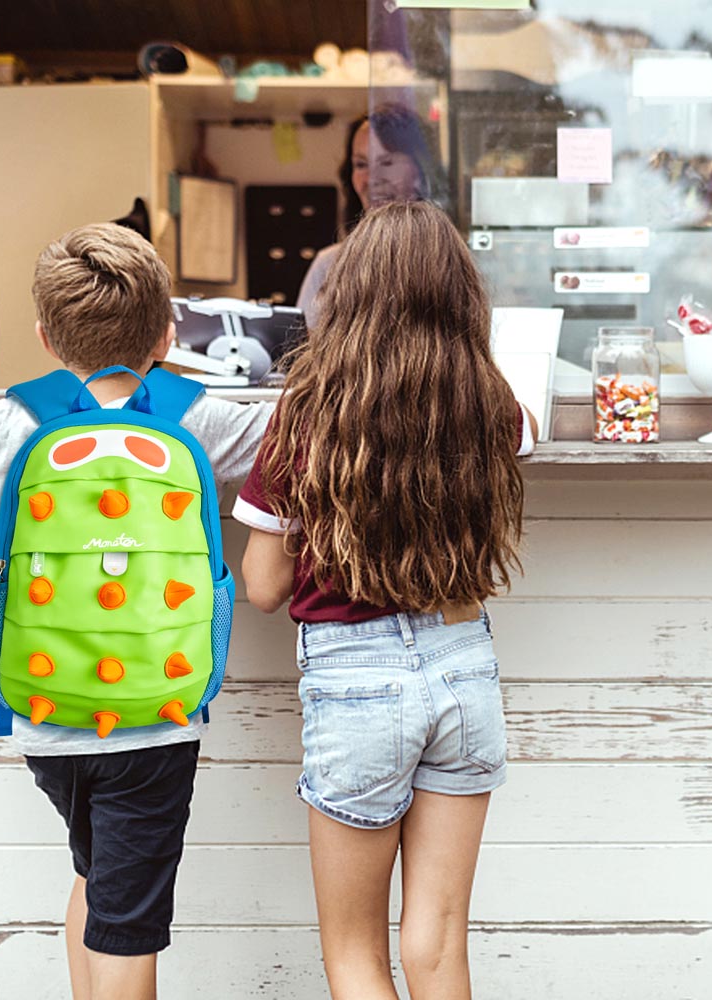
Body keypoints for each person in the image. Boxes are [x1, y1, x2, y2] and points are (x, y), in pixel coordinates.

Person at [0, 223, 273, 1000]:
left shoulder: (10, 424)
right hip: (156, 717)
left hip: (47, 716)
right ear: (167, 330)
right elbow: (307, 427)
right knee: (126, 928)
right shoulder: (197, 419)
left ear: (48, 337)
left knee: (95, 879)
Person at [233, 200, 536, 1000]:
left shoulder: (305, 413)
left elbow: (261, 587)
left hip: (356, 682)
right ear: (461, 296)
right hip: (464, 669)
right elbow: (525, 426)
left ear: (349, 291)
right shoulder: (486, 402)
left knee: (355, 955)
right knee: (437, 946)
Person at [297, 105, 438, 329]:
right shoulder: (328, 265)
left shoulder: (446, 260)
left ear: (421, 172)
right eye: (361, 164)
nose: (372, 179)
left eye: (387, 163)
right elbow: (302, 354)